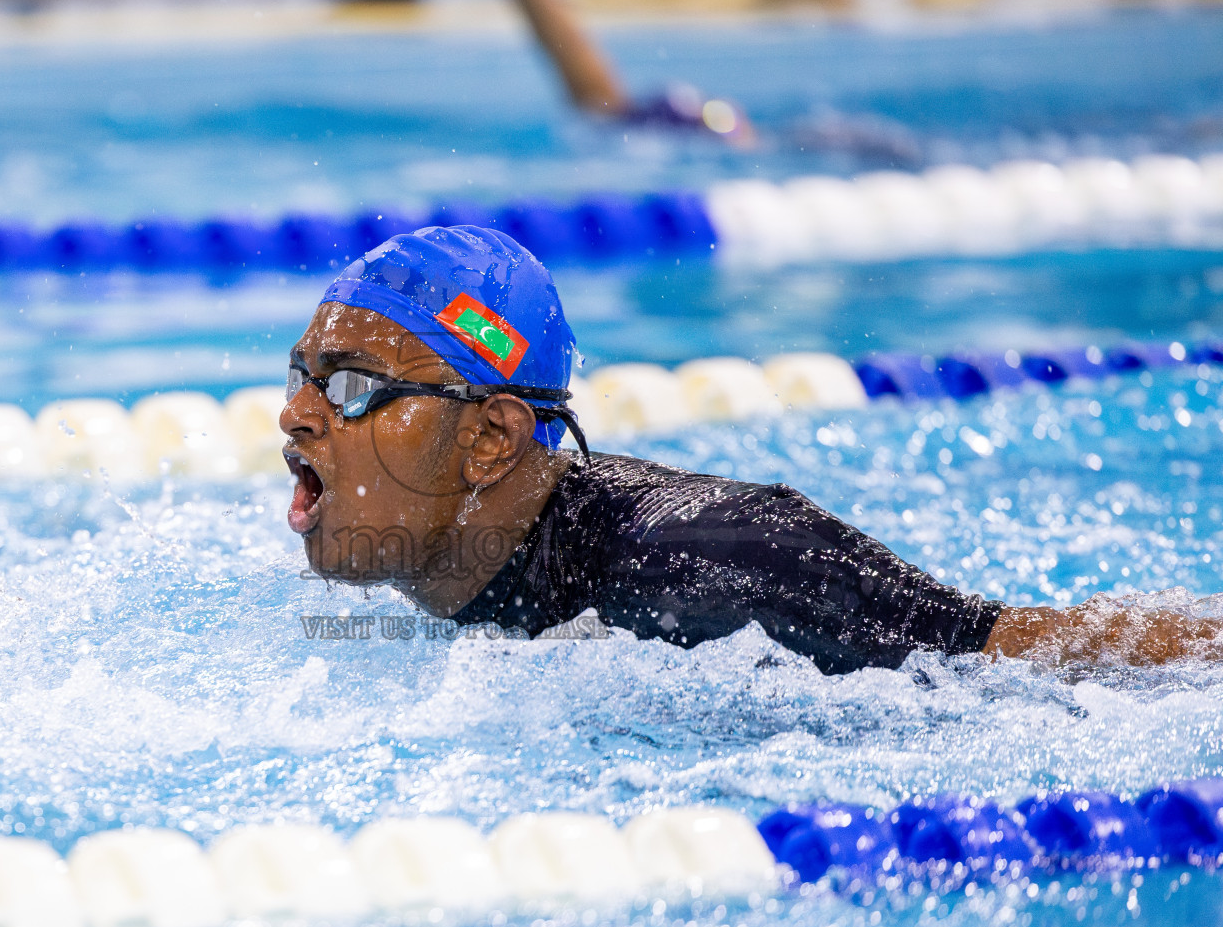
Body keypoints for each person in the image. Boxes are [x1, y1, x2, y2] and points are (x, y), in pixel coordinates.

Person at [279, 225, 1217, 671]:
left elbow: (1022, 651)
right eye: (301, 375)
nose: (298, 416)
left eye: (354, 386)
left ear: (491, 440)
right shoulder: (405, 593)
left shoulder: (720, 562)